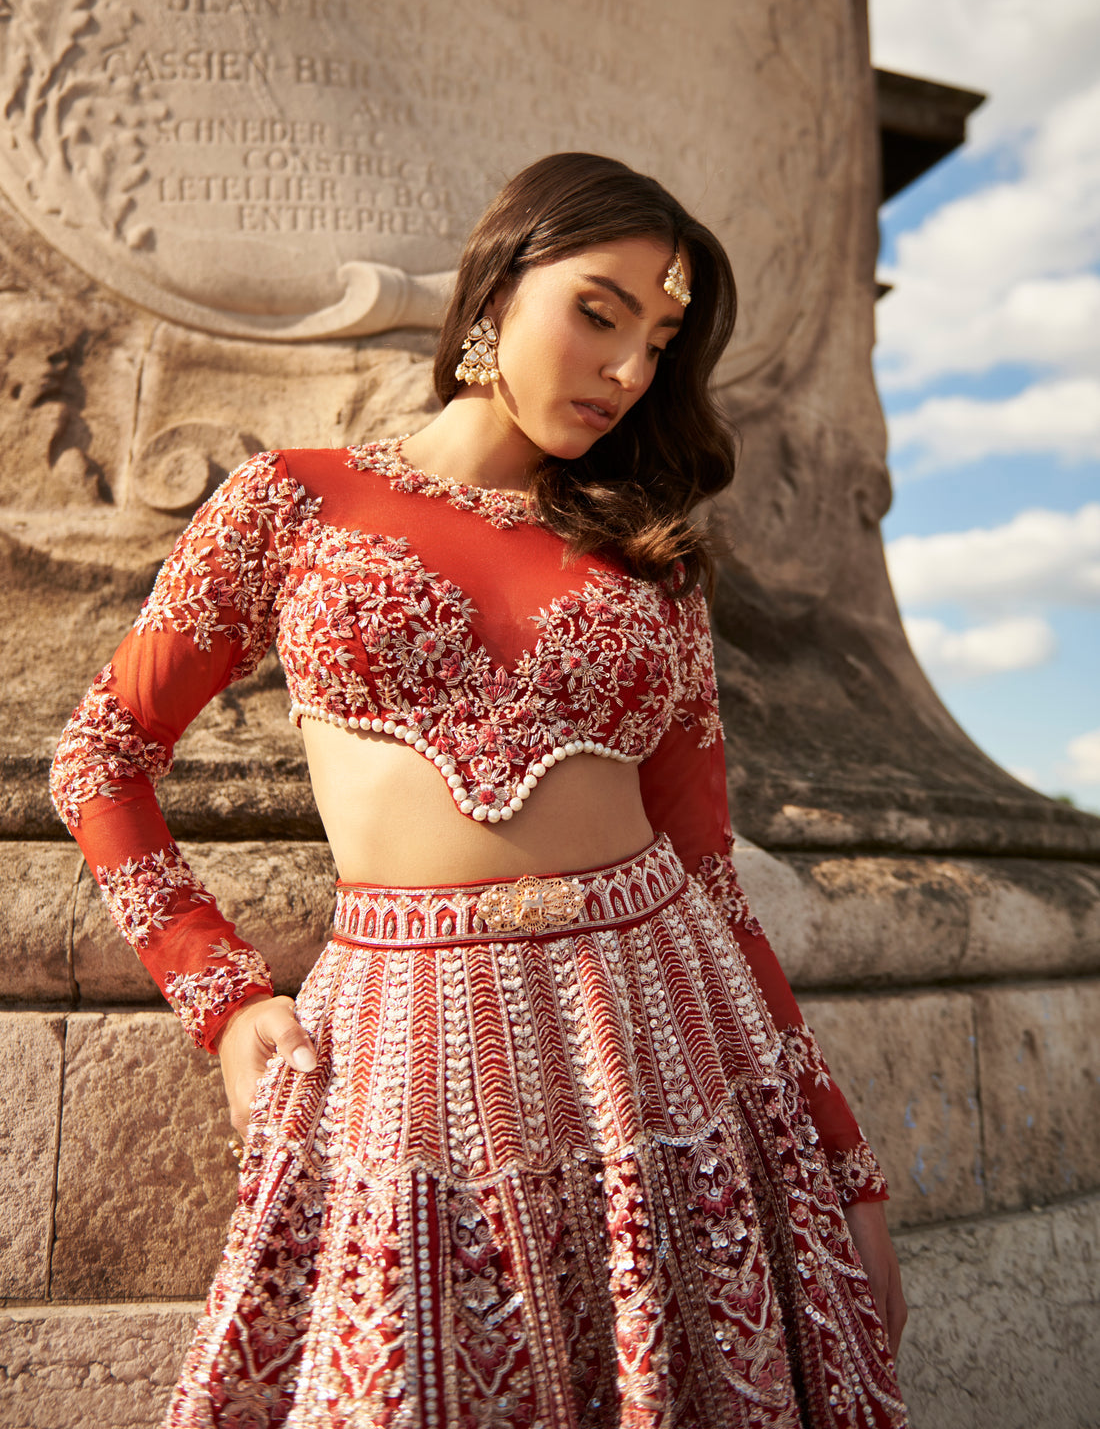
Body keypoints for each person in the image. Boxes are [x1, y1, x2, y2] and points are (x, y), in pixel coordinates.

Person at [50, 152, 908, 1428]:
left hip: (664, 1033)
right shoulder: (293, 502)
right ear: (496, 287)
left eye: (660, 341)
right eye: (598, 312)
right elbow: (100, 760)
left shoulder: (649, 563)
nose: (627, 370)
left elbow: (710, 876)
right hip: (406, 1040)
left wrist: (844, 1167)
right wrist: (222, 998)